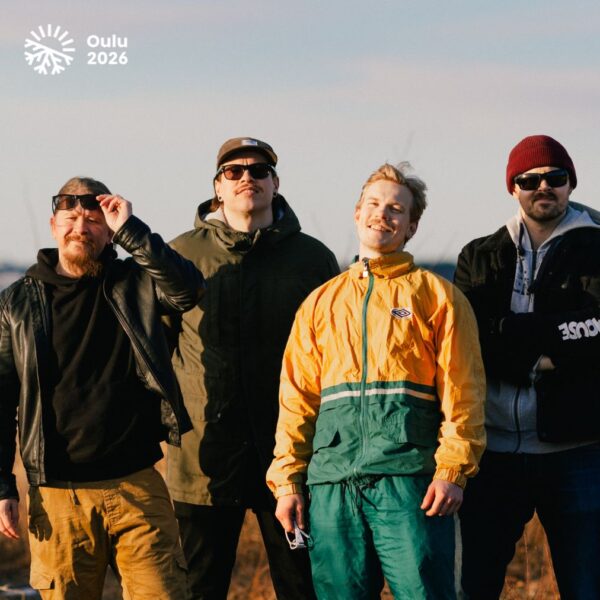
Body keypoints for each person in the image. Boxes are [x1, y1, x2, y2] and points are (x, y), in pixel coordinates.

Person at [267, 162, 486, 599]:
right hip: (331, 484)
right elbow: (297, 401)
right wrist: (287, 482)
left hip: (410, 483)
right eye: (373, 204)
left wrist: (453, 471)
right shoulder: (320, 303)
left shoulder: (437, 295)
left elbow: (464, 392)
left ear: (411, 226)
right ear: (357, 213)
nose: (381, 215)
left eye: (395, 209)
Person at [0, 176, 205, 599]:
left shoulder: (134, 284)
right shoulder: (16, 303)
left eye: (94, 220)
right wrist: (2, 485)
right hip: (58, 495)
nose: (81, 228)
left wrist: (131, 229)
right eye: (71, 218)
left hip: (138, 485)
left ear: (109, 230)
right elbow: (1, 400)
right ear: (54, 226)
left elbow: (188, 290)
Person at [165, 137, 339, 599]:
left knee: (303, 585)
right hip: (202, 458)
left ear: (275, 183)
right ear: (217, 187)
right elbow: (152, 347)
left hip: (290, 453)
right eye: (234, 171)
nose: (247, 178)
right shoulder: (181, 254)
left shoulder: (312, 258)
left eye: (259, 171)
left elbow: (335, 355)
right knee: (198, 588)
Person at [455, 135, 600, 599]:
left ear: (570, 183)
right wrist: (542, 356)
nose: (543, 186)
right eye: (529, 179)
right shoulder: (479, 254)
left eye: (555, 177)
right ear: (512, 187)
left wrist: (515, 331)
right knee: (472, 586)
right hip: (494, 451)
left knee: (587, 586)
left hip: (578, 448)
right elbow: (470, 337)